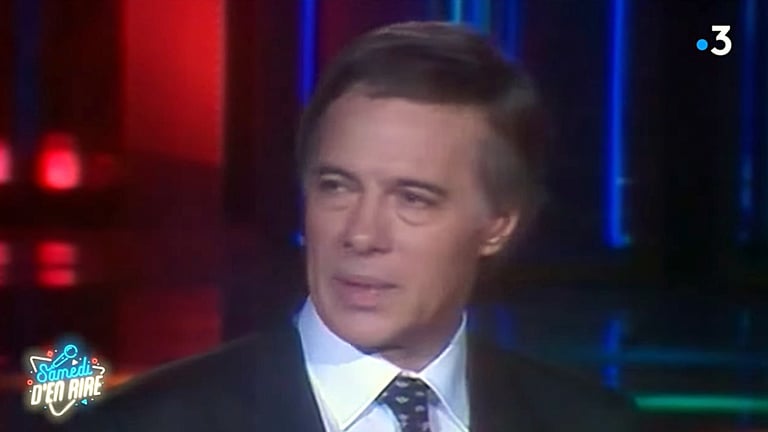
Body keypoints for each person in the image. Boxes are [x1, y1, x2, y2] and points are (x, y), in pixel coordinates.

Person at [58, 21, 637, 432]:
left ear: (497, 226)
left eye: (413, 199)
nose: (361, 235)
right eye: (337, 186)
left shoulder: (590, 422)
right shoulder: (150, 424)